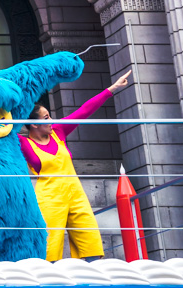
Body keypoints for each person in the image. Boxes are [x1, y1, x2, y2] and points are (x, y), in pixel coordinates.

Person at [21, 69, 132, 261]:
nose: (51, 120)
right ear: (33, 124)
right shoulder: (23, 143)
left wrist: (112, 89)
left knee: (90, 244)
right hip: (49, 198)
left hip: (76, 194)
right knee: (49, 248)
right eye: (46, 117)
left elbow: (84, 111)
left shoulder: (59, 131)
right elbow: (0, 129)